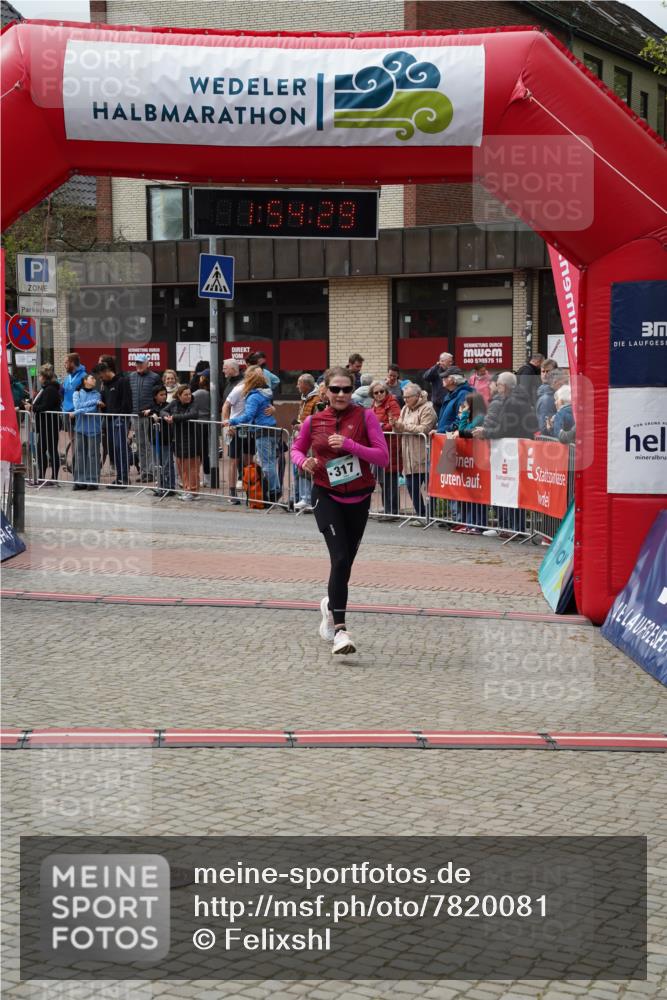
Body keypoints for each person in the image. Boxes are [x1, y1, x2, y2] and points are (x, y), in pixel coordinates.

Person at [291, 366, 389, 655]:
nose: (342, 394)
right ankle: (340, 631)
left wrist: (350, 445)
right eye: (335, 389)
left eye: (347, 388)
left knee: (344, 566)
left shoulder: (365, 416)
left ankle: (329, 608)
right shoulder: (314, 420)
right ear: (325, 390)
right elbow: (296, 449)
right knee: (340, 558)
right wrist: (302, 462)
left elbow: (382, 457)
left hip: (359, 498)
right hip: (327, 495)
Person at [224, 366, 281, 502]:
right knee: (271, 462)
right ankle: (273, 490)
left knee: (267, 464)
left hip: (262, 430)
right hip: (271, 429)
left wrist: (230, 421)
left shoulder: (254, 396)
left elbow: (248, 415)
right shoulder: (264, 393)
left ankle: (273, 492)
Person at [391, 383, 436, 520]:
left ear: (417, 396)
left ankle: (430, 514)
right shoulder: (405, 408)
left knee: (431, 489)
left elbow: (424, 429)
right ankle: (421, 514)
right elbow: (399, 428)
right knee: (411, 487)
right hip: (408, 455)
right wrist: (395, 425)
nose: (405, 400)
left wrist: (403, 426)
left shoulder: (427, 409)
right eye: (404, 397)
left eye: (408, 397)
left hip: (425, 454)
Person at [451, 392, 488, 533]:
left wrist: (464, 415)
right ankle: (470, 523)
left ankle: (479, 524)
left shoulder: (479, 418)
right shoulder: (472, 416)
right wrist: (464, 417)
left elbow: (464, 430)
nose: (464, 407)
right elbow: (461, 429)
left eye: (466, 404)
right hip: (471, 460)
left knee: (478, 493)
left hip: (479, 458)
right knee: (470, 493)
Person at [162, 384, 202, 501]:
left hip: (192, 439)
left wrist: (174, 418)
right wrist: (166, 417)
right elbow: (163, 411)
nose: (188, 396)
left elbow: (193, 414)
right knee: (181, 467)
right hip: (178, 440)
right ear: (179, 396)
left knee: (192, 467)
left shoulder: (194, 404)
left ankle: (193, 491)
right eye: (185, 394)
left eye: (189, 394)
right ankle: (186, 490)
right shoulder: (174, 403)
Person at [472, 372, 537, 441]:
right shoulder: (522, 398)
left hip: (514, 446)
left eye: (498, 385)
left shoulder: (511, 402)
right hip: (524, 444)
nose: (497, 388)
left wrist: (484, 432)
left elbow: (504, 431)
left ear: (503, 386)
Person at [127, 353, 162, 482]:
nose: (138, 365)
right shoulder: (131, 377)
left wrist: (153, 410)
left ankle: (152, 472)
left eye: (141, 363)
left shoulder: (155, 377)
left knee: (149, 444)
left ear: (148, 364)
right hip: (135, 415)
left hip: (149, 416)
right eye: (137, 363)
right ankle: (144, 471)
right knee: (140, 444)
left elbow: (159, 396)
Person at [98, 362, 133, 487]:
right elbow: (106, 403)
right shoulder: (105, 385)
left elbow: (127, 401)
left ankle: (124, 477)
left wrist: (122, 417)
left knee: (121, 448)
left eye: (101, 376)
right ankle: (120, 477)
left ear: (107, 371)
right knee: (114, 449)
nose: (100, 379)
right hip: (109, 419)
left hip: (120, 419)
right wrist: (102, 406)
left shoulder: (122, 381)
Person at [25, 364, 61, 483]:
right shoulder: (44, 388)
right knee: (41, 450)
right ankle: (41, 476)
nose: (39, 377)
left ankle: (54, 477)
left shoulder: (50, 389)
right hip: (44, 425)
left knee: (51, 450)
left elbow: (45, 406)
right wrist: (26, 404)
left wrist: (32, 407)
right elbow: (36, 401)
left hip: (50, 424)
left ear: (44, 377)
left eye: (40, 375)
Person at [371, 381, 402, 516]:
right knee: (383, 480)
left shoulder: (392, 403)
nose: (379, 395)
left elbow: (395, 423)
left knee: (391, 479)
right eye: (376, 392)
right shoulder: (373, 405)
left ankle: (393, 511)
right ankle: (386, 508)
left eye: (381, 391)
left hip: (391, 446)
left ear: (386, 391)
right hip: (378, 447)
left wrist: (380, 427)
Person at [293, 374, 320, 510]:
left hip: (311, 437)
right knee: (301, 467)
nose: (297, 386)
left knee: (307, 467)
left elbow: (315, 420)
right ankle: (303, 496)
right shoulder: (305, 398)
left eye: (299, 383)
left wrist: (301, 425)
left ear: (307, 385)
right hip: (304, 436)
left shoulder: (315, 399)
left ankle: (308, 498)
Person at [72, 373, 102, 490]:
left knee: (93, 455)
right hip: (80, 428)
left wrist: (77, 412)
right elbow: (77, 406)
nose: (94, 380)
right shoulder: (77, 393)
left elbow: (91, 410)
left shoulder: (97, 394)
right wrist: (92, 403)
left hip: (93, 428)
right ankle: (79, 481)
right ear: (85, 381)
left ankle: (92, 481)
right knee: (80, 454)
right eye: (92, 378)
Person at [145, 383, 176, 497]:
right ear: (155, 396)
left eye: (165, 394)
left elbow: (166, 412)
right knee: (158, 464)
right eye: (161, 394)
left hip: (166, 438)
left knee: (167, 464)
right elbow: (141, 411)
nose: (164, 396)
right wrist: (149, 411)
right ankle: (161, 486)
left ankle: (170, 487)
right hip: (154, 438)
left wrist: (154, 412)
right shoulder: (151, 405)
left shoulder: (169, 405)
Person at [436, 369, 471, 434]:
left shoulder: (463, 394)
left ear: (452, 380)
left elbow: (460, 419)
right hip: (446, 437)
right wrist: (439, 430)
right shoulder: (450, 395)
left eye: (445, 377)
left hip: (453, 438)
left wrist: (442, 430)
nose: (442, 379)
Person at [192, 372, 211, 487]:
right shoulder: (210, 393)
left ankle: (201, 478)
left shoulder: (199, 393)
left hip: (198, 423)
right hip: (206, 422)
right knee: (205, 452)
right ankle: (207, 478)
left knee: (198, 452)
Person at [536, 368, 568, 434]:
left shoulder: (554, 397)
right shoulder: (547, 401)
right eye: (565, 382)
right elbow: (545, 428)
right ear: (555, 382)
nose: (567, 385)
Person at [422, 351, 453, 416]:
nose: (451, 363)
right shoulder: (435, 370)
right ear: (442, 361)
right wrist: (436, 366)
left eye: (451, 361)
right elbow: (425, 377)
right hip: (437, 404)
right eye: (449, 361)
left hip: (449, 403)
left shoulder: (453, 370)